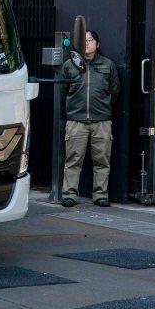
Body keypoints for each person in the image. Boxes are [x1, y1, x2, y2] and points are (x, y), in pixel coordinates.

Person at [59, 30, 120, 208]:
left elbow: (115, 90)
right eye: (84, 40)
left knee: (102, 160)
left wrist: (102, 106)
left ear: (97, 44)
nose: (87, 43)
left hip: (101, 121)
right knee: (73, 160)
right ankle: (69, 194)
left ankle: (100, 194)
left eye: (91, 40)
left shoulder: (108, 65)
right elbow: (63, 92)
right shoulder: (69, 65)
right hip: (76, 121)